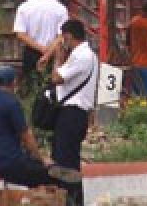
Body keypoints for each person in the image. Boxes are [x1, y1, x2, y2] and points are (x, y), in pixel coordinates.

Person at [0, 66, 80, 192]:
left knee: (35, 170)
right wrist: (42, 159)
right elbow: (26, 136)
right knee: (54, 176)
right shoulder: (11, 103)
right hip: (11, 163)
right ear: (14, 82)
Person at [45, 20, 97, 206]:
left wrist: (58, 57)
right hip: (73, 114)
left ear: (68, 35)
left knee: (65, 163)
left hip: (72, 114)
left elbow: (57, 78)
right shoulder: (82, 54)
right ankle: (71, 199)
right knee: (66, 160)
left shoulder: (81, 56)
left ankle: (71, 200)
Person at [13, 0, 69, 94]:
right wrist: (47, 52)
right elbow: (62, 36)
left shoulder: (24, 7)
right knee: (50, 91)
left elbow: (20, 34)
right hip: (52, 53)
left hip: (30, 53)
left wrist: (40, 49)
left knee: (30, 90)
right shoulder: (60, 8)